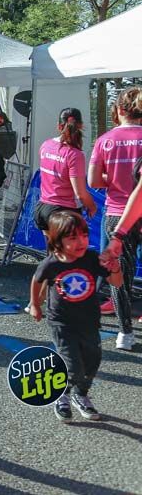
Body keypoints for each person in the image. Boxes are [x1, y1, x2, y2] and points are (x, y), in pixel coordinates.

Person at [29, 211, 121, 421]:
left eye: (84, 235)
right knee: (72, 365)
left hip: (89, 321)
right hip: (61, 322)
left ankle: (81, 395)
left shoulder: (90, 258)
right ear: (57, 241)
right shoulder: (51, 263)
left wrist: (115, 269)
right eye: (73, 238)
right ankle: (61, 395)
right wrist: (35, 304)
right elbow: (36, 279)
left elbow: (117, 283)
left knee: (93, 361)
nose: (81, 242)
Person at [88, 86, 142, 351]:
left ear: (119, 110)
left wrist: (116, 178)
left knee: (119, 274)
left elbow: (93, 180)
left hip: (116, 212)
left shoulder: (105, 140)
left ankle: (125, 333)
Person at [35, 108, 97, 232]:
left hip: (42, 208)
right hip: (64, 213)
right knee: (68, 251)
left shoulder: (45, 145)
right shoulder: (75, 154)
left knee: (53, 250)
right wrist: (92, 207)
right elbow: (80, 193)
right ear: (81, 126)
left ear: (59, 126)